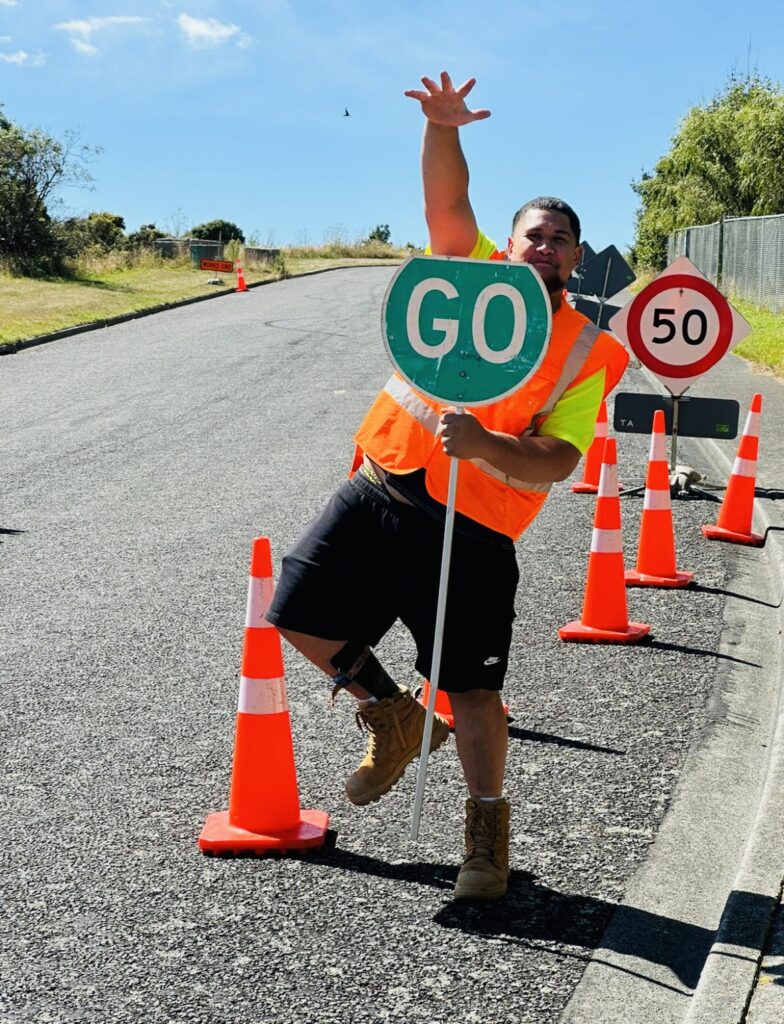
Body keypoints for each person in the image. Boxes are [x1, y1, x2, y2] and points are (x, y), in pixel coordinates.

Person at [265, 70, 629, 901]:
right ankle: (393, 716)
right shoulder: (470, 274)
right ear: (510, 242)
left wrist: (485, 444)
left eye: (561, 238)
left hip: (477, 527)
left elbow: (557, 460)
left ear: (577, 257)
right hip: (385, 483)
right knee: (295, 611)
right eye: (533, 233)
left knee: (474, 691)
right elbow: (446, 203)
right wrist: (442, 128)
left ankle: (486, 833)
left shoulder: (584, 349)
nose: (545, 245)